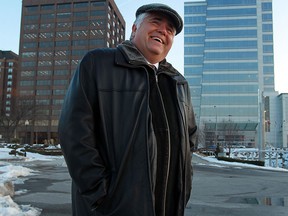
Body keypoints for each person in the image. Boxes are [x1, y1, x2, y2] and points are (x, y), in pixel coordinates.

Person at [59, 3, 197, 216]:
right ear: (134, 29)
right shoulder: (98, 64)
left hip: (169, 206)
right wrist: (99, 193)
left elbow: (190, 139)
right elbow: (74, 133)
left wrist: (184, 186)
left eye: (170, 29)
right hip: (112, 207)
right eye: (155, 22)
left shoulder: (179, 83)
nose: (163, 30)